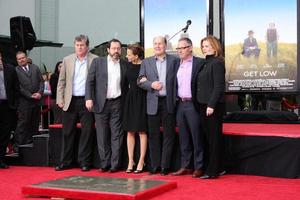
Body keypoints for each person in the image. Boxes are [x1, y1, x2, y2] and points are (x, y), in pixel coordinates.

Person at [55, 35, 97, 172]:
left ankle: (84, 162)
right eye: (77, 45)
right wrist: (60, 99)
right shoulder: (67, 60)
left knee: (87, 132)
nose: (79, 48)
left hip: (87, 101)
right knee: (67, 132)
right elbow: (61, 82)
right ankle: (65, 161)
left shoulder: (95, 60)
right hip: (70, 101)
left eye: (82, 45)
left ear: (87, 46)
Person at [85, 39, 128, 173]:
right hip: (100, 103)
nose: (116, 51)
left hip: (118, 103)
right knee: (102, 135)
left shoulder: (124, 64)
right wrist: (89, 98)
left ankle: (115, 164)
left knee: (117, 135)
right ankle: (105, 163)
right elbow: (89, 82)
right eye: (114, 48)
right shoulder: (98, 62)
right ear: (108, 50)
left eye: (118, 49)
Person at [138, 36, 178, 176]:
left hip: (169, 102)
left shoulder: (175, 60)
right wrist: (151, 84)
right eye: (155, 44)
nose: (157, 46)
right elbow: (140, 80)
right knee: (153, 136)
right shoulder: (146, 62)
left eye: (160, 43)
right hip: (153, 102)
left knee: (169, 135)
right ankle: (155, 166)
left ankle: (165, 166)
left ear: (165, 45)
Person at [194, 35, 225, 179]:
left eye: (207, 46)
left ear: (214, 46)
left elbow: (218, 86)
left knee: (213, 139)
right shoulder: (205, 63)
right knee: (208, 138)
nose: (204, 48)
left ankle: (213, 171)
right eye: (203, 46)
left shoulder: (217, 63)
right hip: (202, 105)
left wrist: (211, 105)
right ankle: (217, 167)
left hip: (212, 106)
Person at [172, 37, 204, 178]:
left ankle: (199, 166)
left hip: (193, 104)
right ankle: (186, 166)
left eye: (182, 48)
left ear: (190, 48)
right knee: (183, 137)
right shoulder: (176, 64)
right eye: (178, 48)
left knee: (196, 136)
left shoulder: (199, 63)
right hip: (180, 104)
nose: (179, 51)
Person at [122, 44, 147, 173]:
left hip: (142, 99)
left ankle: (142, 160)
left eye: (129, 54)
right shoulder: (127, 65)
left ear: (136, 56)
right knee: (130, 131)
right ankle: (130, 160)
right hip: (130, 99)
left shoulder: (146, 65)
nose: (126, 56)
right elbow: (124, 84)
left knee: (142, 131)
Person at [14, 51, 44, 148]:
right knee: (23, 124)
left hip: (36, 101)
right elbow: (18, 87)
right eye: (19, 59)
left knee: (35, 123)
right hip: (24, 103)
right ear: (17, 60)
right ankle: (19, 146)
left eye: (23, 58)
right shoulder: (15, 71)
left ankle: (33, 145)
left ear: (26, 58)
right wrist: (30, 95)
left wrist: (39, 93)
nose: (21, 60)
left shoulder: (35, 68)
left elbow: (41, 81)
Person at [0, 50, 19, 168]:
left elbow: (16, 88)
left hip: (7, 106)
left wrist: (15, 105)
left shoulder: (10, 69)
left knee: (5, 134)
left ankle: (1, 159)